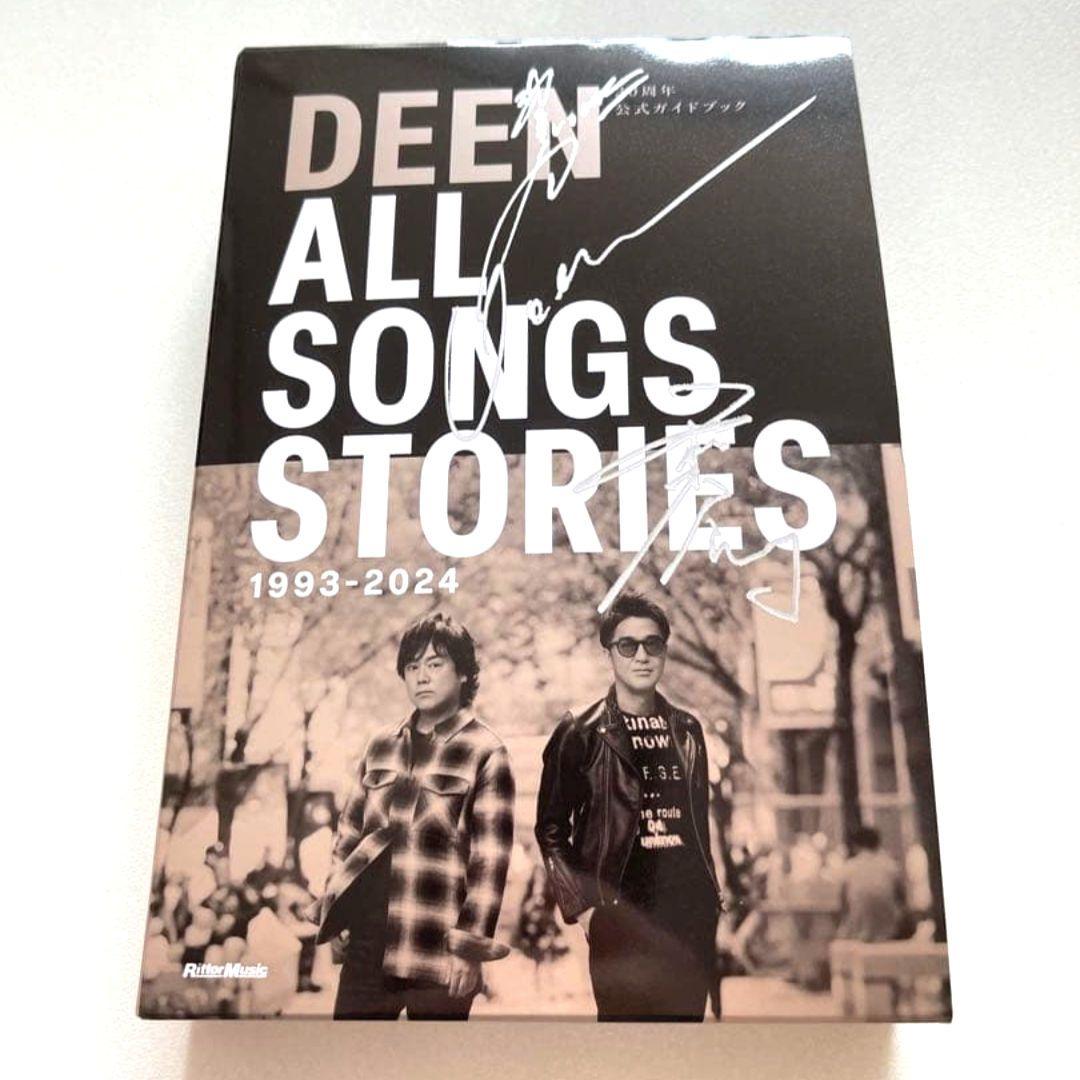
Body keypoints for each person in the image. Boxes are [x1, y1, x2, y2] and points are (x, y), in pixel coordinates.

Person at [310, 613, 516, 1020]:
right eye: (412, 666)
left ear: (463, 673)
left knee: (433, 1055)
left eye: (435, 664)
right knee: (350, 1054)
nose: (422, 676)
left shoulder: (486, 751)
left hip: (438, 947)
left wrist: (469, 948)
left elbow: (490, 863)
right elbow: (348, 835)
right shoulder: (380, 746)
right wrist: (337, 912)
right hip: (367, 944)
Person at [535, 591, 725, 1021]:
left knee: (682, 1043)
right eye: (628, 645)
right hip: (618, 917)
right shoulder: (580, 733)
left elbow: (697, 824)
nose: (642, 656)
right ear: (609, 654)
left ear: (664, 651)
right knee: (626, 1044)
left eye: (652, 644)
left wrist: (709, 900)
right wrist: (584, 909)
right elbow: (550, 829)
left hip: (687, 916)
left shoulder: (687, 730)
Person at [836, 826, 906, 942]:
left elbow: (842, 901)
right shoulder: (891, 865)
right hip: (889, 927)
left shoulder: (849, 867)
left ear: (855, 845)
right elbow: (901, 898)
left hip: (858, 926)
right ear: (878, 844)